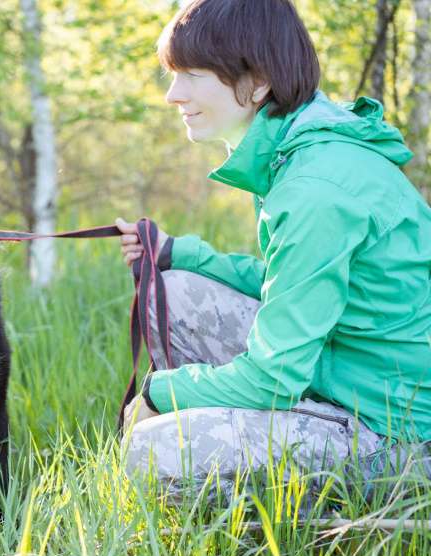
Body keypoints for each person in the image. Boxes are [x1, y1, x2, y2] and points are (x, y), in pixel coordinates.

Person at [117, 0, 431, 483]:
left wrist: (160, 393)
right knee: (175, 288)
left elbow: (274, 378)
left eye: (194, 74)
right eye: (173, 75)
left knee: (154, 449)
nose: (173, 95)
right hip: (346, 368)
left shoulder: (316, 189)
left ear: (258, 82)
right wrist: (182, 254)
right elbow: (294, 288)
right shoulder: (300, 152)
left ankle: (260, 541)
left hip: (397, 430)